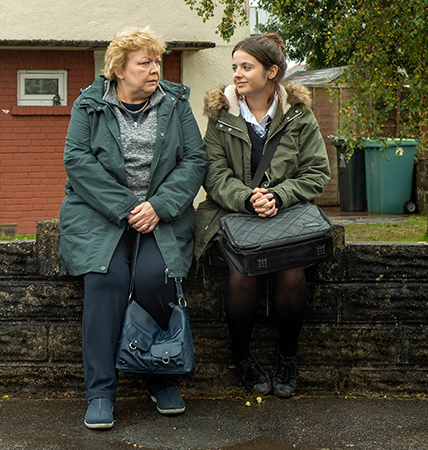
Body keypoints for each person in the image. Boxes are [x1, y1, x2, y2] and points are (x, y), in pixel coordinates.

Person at [58, 27, 206, 430]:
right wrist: (127, 208)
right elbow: (77, 160)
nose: (154, 69)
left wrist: (158, 206)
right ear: (119, 70)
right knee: (104, 281)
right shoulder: (89, 104)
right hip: (100, 217)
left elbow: (194, 159)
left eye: (157, 61)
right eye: (144, 62)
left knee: (154, 278)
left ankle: (162, 377)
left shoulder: (176, 103)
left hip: (162, 216)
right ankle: (102, 391)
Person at [193, 33, 330, 399]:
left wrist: (279, 196)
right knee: (243, 269)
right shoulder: (220, 117)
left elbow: (317, 173)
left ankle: (287, 356)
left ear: (271, 72)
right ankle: (242, 357)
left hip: (284, 214)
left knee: (291, 269)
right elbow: (214, 175)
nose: (237, 74)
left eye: (246, 67)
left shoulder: (300, 116)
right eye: (235, 66)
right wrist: (247, 198)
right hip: (234, 214)